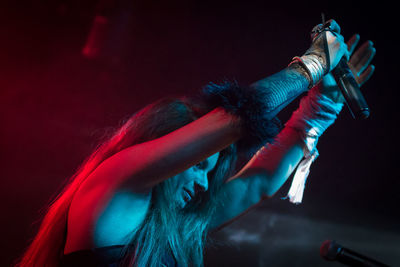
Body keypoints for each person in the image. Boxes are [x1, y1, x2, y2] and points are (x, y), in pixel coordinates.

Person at [16, 19, 375, 267]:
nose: (205, 183)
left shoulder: (177, 226)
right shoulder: (115, 186)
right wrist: (313, 64)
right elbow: (237, 119)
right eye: (201, 165)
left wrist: (323, 106)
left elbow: (259, 182)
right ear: (164, 142)